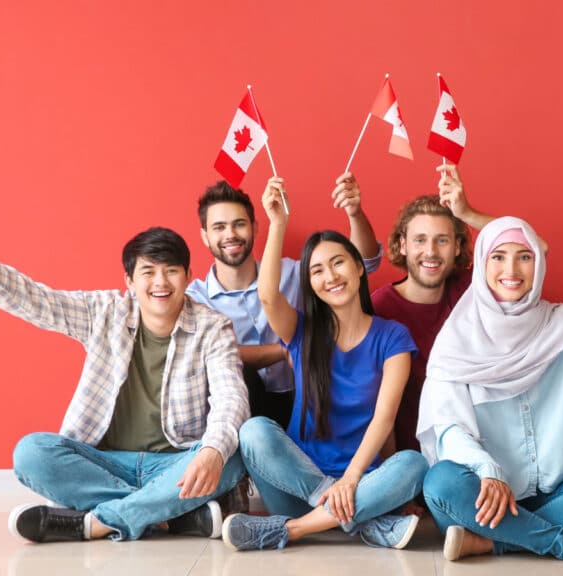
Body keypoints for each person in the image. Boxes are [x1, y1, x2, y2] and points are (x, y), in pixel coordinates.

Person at [0, 211, 249, 543]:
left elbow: (231, 397)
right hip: (104, 462)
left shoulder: (213, 327)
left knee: (233, 454)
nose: (160, 283)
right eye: (148, 272)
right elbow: (32, 299)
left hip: (175, 465)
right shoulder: (104, 312)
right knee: (31, 452)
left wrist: (211, 452)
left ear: (187, 276)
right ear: (129, 281)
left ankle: (96, 522)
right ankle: (169, 516)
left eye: (171, 271)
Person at [418, 205, 563, 564]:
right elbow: (450, 431)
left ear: (538, 264)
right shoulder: (456, 342)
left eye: (524, 257)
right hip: (485, 492)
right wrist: (487, 470)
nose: (511, 270)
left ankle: (492, 542)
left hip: (561, 493)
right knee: (441, 484)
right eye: (498, 257)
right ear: (482, 264)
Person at [221, 178, 428, 551]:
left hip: (363, 480)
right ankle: (363, 523)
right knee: (254, 432)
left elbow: (384, 419)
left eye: (338, 263)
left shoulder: (393, 337)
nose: (330, 276)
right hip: (298, 485)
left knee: (413, 464)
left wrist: (351, 480)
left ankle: (293, 530)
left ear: (359, 268)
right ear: (310, 283)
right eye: (317, 270)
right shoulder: (303, 331)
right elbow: (268, 296)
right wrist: (278, 222)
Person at [187, 175, 382, 429]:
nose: (230, 234)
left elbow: (365, 263)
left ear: (255, 227)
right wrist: (286, 350)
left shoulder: (294, 273)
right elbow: (207, 354)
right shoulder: (195, 299)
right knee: (240, 372)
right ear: (205, 236)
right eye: (219, 227)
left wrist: (355, 213)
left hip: (307, 395)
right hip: (240, 409)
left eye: (238, 224)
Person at [372, 164, 491, 454]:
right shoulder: (378, 308)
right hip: (405, 460)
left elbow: (534, 248)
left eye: (442, 240)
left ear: (458, 247)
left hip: (469, 452)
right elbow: (372, 402)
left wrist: (467, 214)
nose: (431, 252)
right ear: (403, 245)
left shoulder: (468, 290)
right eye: (420, 240)